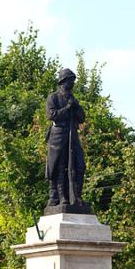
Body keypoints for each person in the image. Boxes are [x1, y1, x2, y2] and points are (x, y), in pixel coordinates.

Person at [45, 68, 86, 206]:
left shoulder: (73, 99)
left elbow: (81, 118)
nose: (73, 84)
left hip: (72, 134)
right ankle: (62, 197)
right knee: (60, 166)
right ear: (63, 82)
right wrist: (67, 109)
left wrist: (75, 107)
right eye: (70, 81)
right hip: (58, 135)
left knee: (79, 165)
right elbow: (52, 115)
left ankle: (76, 196)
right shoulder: (53, 97)